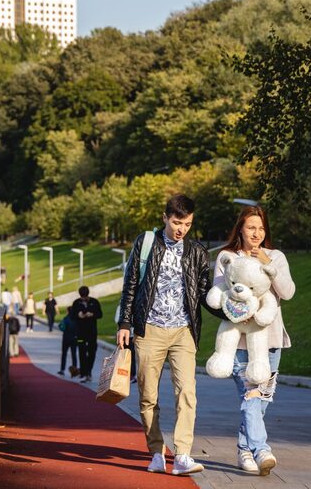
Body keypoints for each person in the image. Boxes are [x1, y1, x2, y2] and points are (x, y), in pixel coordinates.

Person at [117, 193, 221, 476]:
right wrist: (124, 324)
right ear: (165, 217)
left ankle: (184, 454)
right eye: (177, 222)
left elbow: (204, 294)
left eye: (187, 224)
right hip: (148, 329)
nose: (181, 229)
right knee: (148, 395)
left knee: (187, 392)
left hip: (184, 331)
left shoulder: (197, 251)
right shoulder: (146, 243)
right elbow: (131, 284)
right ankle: (156, 453)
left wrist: (231, 314)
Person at [209, 205, 295, 476]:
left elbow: (288, 292)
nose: (256, 233)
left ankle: (244, 449)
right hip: (237, 342)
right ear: (241, 230)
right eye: (250, 228)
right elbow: (218, 297)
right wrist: (236, 313)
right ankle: (261, 450)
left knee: (262, 401)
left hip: (270, 339)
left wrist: (268, 266)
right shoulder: (227, 257)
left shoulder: (275, 257)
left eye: (261, 228)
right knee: (251, 395)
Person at [69, 285, 102, 382]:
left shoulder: (94, 302)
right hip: (80, 333)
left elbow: (100, 314)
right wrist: (78, 315)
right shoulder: (76, 303)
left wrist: (92, 314)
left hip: (92, 332)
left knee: (92, 352)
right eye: (82, 297)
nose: (84, 299)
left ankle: (89, 372)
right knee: (82, 352)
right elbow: (72, 316)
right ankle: (83, 373)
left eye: (85, 297)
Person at [56, 307, 79, 376]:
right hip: (74, 339)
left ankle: (62, 370)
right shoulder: (76, 319)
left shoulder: (66, 319)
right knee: (74, 354)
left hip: (66, 338)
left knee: (64, 354)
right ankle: (74, 370)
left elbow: (61, 327)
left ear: (68, 311)